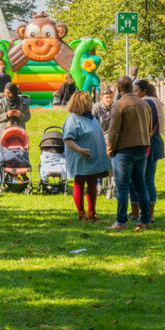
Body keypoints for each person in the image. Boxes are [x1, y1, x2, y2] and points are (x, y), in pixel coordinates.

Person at [105, 76, 152, 230]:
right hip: (142, 147)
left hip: (124, 149)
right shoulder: (144, 104)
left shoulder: (119, 105)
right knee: (141, 184)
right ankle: (145, 219)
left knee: (123, 187)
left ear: (119, 89)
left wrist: (110, 149)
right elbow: (149, 126)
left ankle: (121, 221)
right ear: (132, 87)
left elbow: (113, 131)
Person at [63, 91, 112, 221]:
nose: (92, 103)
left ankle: (92, 213)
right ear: (81, 103)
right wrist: (80, 150)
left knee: (92, 183)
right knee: (79, 183)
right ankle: (82, 214)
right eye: (89, 100)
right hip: (80, 158)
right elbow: (68, 139)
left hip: (94, 158)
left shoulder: (91, 118)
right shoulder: (73, 119)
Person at [129, 79, 165, 223]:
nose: (134, 94)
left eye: (136, 91)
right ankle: (149, 214)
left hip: (145, 144)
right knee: (148, 180)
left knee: (139, 180)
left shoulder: (145, 103)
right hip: (155, 143)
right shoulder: (155, 101)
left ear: (144, 91)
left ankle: (139, 214)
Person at [0, 82, 31, 193]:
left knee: (17, 155)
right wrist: (6, 115)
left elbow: (27, 117)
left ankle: (14, 179)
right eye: (5, 93)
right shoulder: (1, 102)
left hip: (18, 132)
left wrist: (19, 114)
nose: (7, 95)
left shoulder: (22, 102)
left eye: (9, 93)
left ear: (14, 93)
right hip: (3, 132)